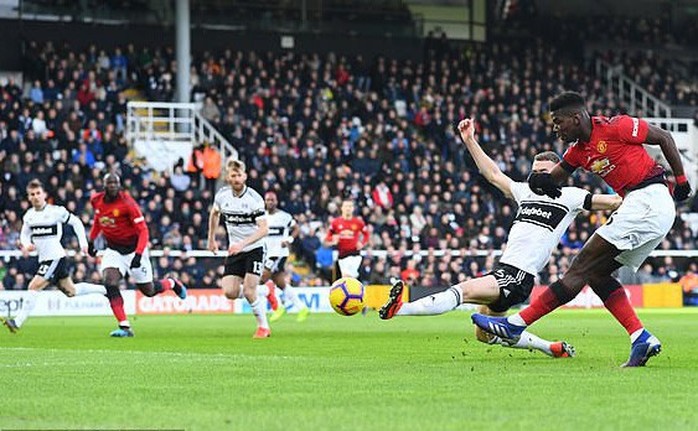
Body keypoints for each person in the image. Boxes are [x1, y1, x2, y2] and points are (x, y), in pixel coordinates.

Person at [472, 91, 692, 367]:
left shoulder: (617, 126)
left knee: (580, 267)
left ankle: (516, 324)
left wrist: (681, 181)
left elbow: (664, 137)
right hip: (643, 207)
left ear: (576, 118)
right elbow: (555, 179)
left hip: (648, 200)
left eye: (558, 122)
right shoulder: (577, 151)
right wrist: (537, 180)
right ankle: (641, 337)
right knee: (597, 274)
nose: (555, 128)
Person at [380, 118, 623, 359]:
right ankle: (550, 348)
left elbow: (613, 202)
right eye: (534, 172)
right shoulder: (524, 191)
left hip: (519, 276)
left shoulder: (571, 197)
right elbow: (493, 173)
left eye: (543, 173)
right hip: (504, 270)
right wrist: (470, 141)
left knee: (461, 291)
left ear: (558, 173)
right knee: (483, 335)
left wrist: (641, 187)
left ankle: (400, 308)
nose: (537, 177)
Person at [88, 172, 187, 337]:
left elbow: (143, 231)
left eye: (115, 183)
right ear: (104, 186)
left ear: (119, 185)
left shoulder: (128, 203)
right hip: (113, 250)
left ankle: (172, 283)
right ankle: (124, 326)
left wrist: (139, 255)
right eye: (109, 183)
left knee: (149, 290)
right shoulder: (96, 200)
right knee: (110, 282)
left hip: (134, 250)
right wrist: (91, 240)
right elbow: (99, 220)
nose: (112, 186)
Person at [1, 180, 107, 333]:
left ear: (44, 194)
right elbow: (24, 235)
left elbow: (76, 222)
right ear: (29, 197)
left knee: (33, 286)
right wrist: (26, 244)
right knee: (71, 291)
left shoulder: (56, 211)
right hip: (44, 259)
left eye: (38, 193)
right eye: (32, 194)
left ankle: (17, 322)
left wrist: (83, 243)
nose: (36, 197)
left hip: (56, 257)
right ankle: (106, 290)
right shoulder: (29, 216)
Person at [207, 159, 271, 338]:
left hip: (255, 248)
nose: (236, 179)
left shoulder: (254, 199)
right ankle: (266, 291)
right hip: (236, 250)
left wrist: (243, 244)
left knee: (250, 290)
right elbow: (214, 214)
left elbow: (264, 229)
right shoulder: (222, 196)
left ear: (245, 176)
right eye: (233, 175)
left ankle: (263, 327)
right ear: (228, 177)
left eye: (239, 175)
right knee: (230, 292)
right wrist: (211, 239)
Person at [261, 191, 310, 323]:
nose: (270, 202)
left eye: (272, 200)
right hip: (267, 252)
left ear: (276, 201)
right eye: (267, 200)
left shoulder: (284, 216)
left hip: (278, 253)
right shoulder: (261, 216)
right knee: (281, 283)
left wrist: (289, 239)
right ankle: (302, 308)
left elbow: (296, 228)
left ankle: (277, 306)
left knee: (261, 279)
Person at [324, 196, 369, 281]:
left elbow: (366, 234)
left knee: (347, 277)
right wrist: (333, 239)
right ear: (342, 208)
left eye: (350, 206)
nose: (348, 208)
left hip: (354, 254)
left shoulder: (358, 222)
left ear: (353, 209)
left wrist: (362, 243)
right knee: (348, 279)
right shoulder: (336, 222)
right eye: (346, 206)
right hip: (342, 254)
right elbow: (328, 237)